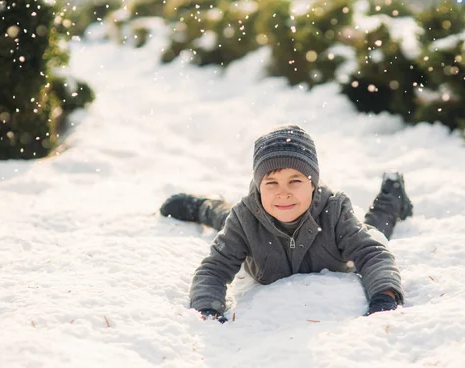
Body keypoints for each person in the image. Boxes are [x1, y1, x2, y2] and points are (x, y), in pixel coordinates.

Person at [160, 124, 413, 322]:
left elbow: (373, 255)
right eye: (271, 183)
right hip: (255, 219)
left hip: (337, 228)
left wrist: (384, 296)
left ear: (312, 184)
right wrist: (208, 308)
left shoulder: (334, 212)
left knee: (375, 231)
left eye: (295, 181)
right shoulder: (245, 217)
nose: (283, 192)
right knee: (224, 216)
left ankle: (392, 194)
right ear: (259, 188)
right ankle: (200, 206)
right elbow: (214, 269)